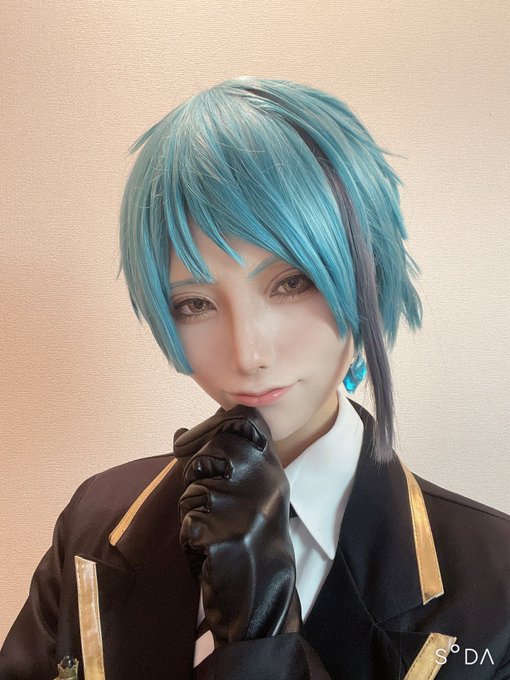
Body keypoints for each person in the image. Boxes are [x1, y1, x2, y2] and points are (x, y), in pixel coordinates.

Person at [1, 76, 509, 680]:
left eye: (291, 283)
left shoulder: (495, 577)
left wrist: (258, 638)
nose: (247, 353)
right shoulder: (97, 520)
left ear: (367, 280)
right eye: (194, 303)